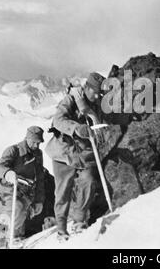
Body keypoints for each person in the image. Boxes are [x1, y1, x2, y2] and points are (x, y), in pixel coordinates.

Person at [45, 72, 109, 241]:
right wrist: (76, 128)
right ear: (86, 88)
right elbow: (58, 120)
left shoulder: (95, 106)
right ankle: (61, 229)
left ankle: (79, 220)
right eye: (94, 92)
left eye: (99, 93)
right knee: (63, 191)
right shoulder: (71, 100)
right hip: (63, 152)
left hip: (84, 154)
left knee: (88, 181)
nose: (97, 96)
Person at [0, 126, 46, 240]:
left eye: (39, 143)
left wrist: (39, 200)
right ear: (27, 138)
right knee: (18, 208)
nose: (36, 146)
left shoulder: (38, 154)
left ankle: (15, 236)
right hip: (8, 189)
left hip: (25, 191)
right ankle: (7, 239)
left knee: (25, 213)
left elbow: (40, 178)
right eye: (34, 142)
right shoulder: (13, 150)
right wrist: (8, 173)